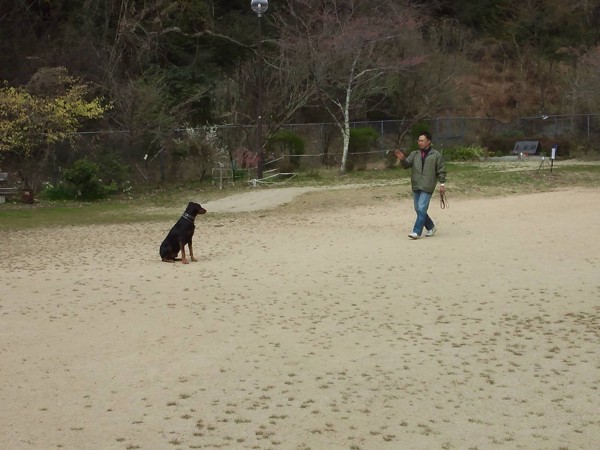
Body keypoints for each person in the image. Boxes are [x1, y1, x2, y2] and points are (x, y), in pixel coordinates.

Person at [395, 131, 446, 239]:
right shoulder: (415, 154)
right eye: (419, 140)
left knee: (422, 207)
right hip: (416, 184)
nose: (420, 142)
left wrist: (442, 184)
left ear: (429, 141)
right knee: (418, 209)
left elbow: (441, 170)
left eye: (422, 140)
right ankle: (431, 227)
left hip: (428, 185)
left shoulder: (436, 155)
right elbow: (407, 165)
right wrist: (403, 159)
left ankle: (416, 231)